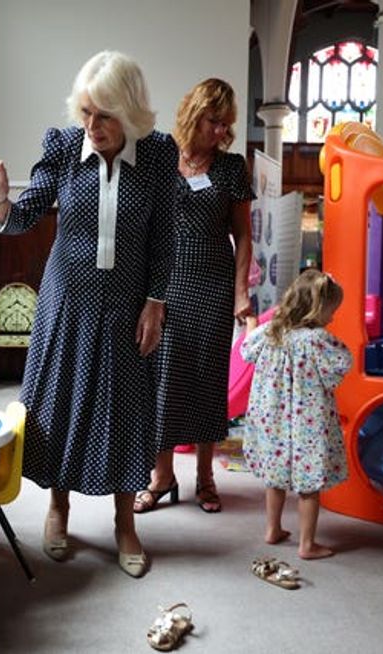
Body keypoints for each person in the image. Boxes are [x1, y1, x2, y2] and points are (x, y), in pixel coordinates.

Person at [0, 50, 175, 578]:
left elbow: (164, 237)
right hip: (67, 303)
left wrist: (156, 301)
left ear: (129, 113)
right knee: (61, 406)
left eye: (104, 115)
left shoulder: (157, 155)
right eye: (85, 112)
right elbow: (23, 216)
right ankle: (58, 507)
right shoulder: (60, 147)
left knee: (126, 410)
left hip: (129, 302)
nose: (92, 126)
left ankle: (126, 522)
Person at [135, 78, 254, 515]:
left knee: (207, 381)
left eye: (227, 124)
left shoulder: (231, 167)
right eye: (214, 121)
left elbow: (243, 236)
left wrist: (241, 293)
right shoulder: (162, 156)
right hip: (165, 283)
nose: (221, 131)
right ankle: (161, 476)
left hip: (213, 282)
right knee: (164, 380)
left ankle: (206, 479)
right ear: (194, 114)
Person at [239, 270, 351, 560]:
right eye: (331, 312)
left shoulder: (271, 331)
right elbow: (342, 363)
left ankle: (273, 529)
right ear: (317, 309)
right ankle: (307, 545)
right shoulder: (317, 339)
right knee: (309, 485)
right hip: (307, 422)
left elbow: (246, 350)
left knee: (274, 479)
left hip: (272, 419)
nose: (332, 318)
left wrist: (252, 322)